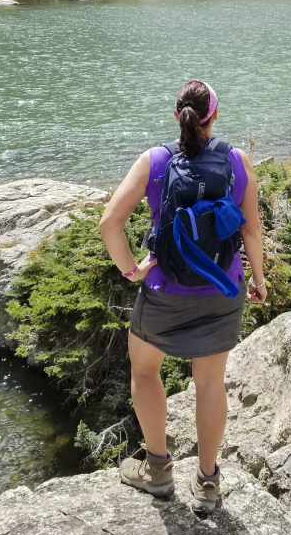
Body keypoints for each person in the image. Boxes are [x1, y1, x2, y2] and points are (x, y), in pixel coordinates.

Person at [99, 79, 267, 512]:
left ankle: (157, 470)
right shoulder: (237, 160)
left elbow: (109, 223)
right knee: (209, 383)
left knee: (144, 371)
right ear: (214, 115)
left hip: (163, 291)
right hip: (223, 287)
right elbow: (250, 229)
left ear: (178, 115)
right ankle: (208, 483)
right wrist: (259, 279)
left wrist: (131, 270)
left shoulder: (155, 160)